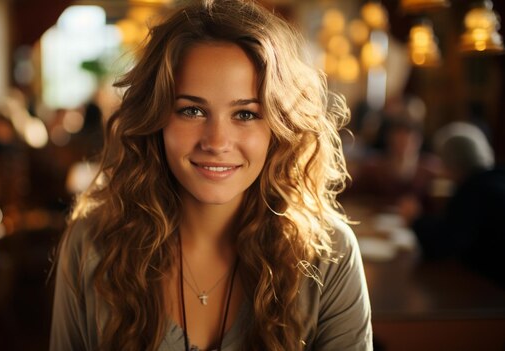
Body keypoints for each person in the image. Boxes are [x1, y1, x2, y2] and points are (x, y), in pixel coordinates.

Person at [50, 1, 372, 350]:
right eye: (192, 110)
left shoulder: (329, 255)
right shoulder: (92, 244)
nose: (217, 142)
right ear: (155, 118)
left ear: (279, 126)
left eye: (246, 114)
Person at [404, 122, 505, 288]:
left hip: (492, 293)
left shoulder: (474, 191)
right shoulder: (496, 178)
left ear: (451, 162)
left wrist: (415, 219)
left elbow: (442, 246)